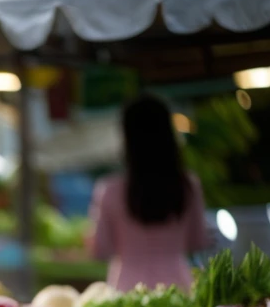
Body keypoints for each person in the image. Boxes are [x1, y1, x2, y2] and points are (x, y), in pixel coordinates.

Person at [88, 94, 209, 291]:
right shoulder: (188, 185)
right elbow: (197, 242)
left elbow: (101, 250)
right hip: (179, 288)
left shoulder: (109, 190)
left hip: (128, 291)